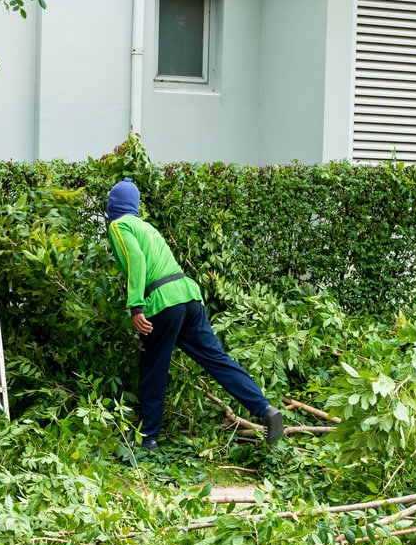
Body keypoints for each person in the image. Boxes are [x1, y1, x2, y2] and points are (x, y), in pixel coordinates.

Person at [105, 179, 284, 452]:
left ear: (113, 205)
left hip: (164, 303)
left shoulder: (120, 225)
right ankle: (265, 409)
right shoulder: (148, 228)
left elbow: (137, 262)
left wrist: (136, 306)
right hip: (189, 297)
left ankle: (147, 439)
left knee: (154, 371)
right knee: (217, 360)